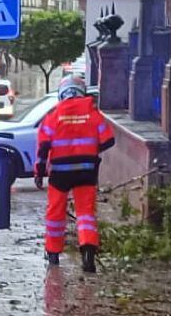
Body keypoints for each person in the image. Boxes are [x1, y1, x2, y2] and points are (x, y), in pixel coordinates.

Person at [34, 79, 116, 274]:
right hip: (86, 172)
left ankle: (53, 254)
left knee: (55, 212)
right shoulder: (93, 114)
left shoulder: (53, 117)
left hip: (60, 173)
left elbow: (43, 148)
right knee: (85, 213)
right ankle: (88, 252)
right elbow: (108, 140)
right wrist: (91, 148)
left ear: (62, 94)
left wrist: (39, 172)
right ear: (82, 92)